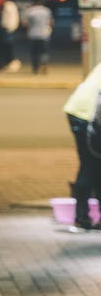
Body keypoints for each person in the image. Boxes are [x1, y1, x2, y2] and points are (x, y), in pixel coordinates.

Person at [63, 62, 101, 231]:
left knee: (95, 165)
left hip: (83, 112)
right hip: (87, 115)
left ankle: (84, 217)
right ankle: (81, 218)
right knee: (90, 165)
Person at [23, 0, 53, 74]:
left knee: (34, 52)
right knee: (44, 52)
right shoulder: (46, 11)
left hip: (33, 34)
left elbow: (25, 24)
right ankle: (44, 65)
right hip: (44, 34)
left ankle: (35, 68)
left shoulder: (30, 11)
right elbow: (50, 22)